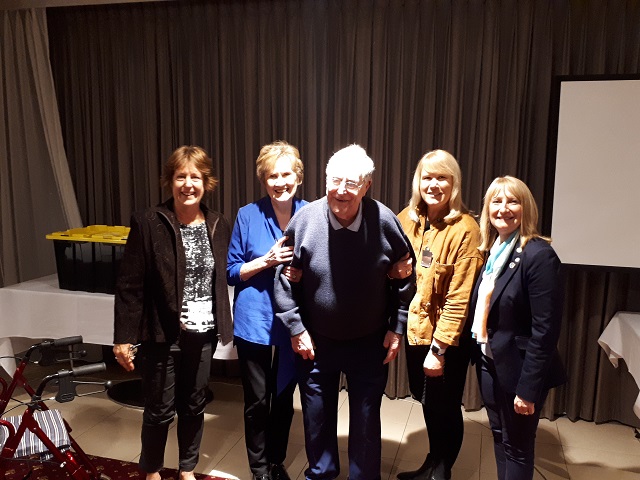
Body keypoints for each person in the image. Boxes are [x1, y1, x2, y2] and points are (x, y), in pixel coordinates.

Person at [273, 144, 415, 480]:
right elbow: (284, 277)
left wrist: (397, 327)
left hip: (369, 340)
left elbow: (406, 275)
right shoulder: (304, 221)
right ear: (325, 181)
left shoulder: (385, 221)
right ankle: (321, 474)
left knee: (366, 418)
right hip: (316, 340)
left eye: (351, 183)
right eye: (335, 180)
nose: (341, 190)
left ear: (367, 186)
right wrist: (295, 328)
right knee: (316, 416)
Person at [113, 145, 233, 480]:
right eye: (181, 176)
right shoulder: (148, 222)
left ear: (206, 182)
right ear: (170, 180)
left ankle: (187, 469)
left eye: (195, 177)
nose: (188, 184)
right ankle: (152, 471)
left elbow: (224, 274)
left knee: (194, 406)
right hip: (162, 334)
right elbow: (129, 285)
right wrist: (124, 337)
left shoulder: (218, 223)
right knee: (159, 410)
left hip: (203, 334)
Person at [391, 150, 483, 480]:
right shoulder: (406, 218)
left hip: (445, 339)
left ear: (454, 183)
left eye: (442, 177)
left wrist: (439, 349)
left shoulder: (466, 229)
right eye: (427, 177)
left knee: (445, 404)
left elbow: (459, 298)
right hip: (415, 330)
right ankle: (432, 463)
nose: (433, 184)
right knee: (427, 400)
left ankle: (441, 471)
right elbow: (388, 266)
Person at [469, 176, 566, 480]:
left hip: (520, 370)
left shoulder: (538, 255)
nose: (504, 208)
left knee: (518, 447)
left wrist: (527, 389)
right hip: (490, 362)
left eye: (513, 201)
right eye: (496, 201)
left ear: (527, 208)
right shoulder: (495, 251)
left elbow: (545, 331)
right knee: (500, 436)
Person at [227, 141, 307, 480]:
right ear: (263, 180)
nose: (280, 182)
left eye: (286, 174)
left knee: (284, 397)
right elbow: (232, 271)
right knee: (257, 401)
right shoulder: (247, 215)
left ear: (298, 177)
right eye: (272, 176)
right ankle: (259, 469)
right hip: (254, 321)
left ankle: (276, 462)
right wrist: (266, 261)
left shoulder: (312, 213)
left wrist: (303, 274)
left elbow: (322, 269)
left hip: (293, 324)